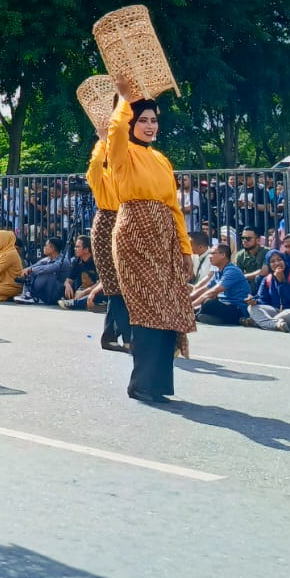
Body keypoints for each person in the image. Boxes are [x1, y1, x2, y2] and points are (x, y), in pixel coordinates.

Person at [108, 88, 196, 403]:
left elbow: (174, 207)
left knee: (168, 308)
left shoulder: (161, 159)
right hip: (134, 236)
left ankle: (158, 384)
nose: (149, 126)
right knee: (147, 308)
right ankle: (141, 384)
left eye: (153, 120)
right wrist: (124, 98)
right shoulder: (122, 152)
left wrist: (185, 249)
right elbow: (115, 130)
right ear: (131, 123)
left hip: (165, 237)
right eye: (142, 120)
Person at [85, 128, 129, 350]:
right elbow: (94, 164)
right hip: (106, 225)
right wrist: (102, 141)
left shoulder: (124, 172)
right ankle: (130, 338)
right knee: (115, 285)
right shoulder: (99, 175)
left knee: (121, 285)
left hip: (125, 222)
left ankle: (110, 336)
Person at [191, 241, 251, 325]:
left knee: (208, 302)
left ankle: (221, 319)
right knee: (202, 304)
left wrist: (191, 305)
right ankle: (214, 318)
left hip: (237, 309)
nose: (210, 256)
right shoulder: (217, 271)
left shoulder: (232, 270)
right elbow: (206, 288)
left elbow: (214, 291)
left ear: (223, 255)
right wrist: (189, 298)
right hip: (224, 305)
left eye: (213, 253)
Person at [248, 249, 290, 331]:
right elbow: (263, 300)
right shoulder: (267, 279)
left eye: (279, 259)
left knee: (288, 314)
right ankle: (276, 325)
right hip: (276, 311)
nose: (277, 263)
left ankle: (259, 323)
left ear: (284, 261)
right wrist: (254, 301)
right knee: (252, 308)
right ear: (269, 265)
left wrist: (282, 282)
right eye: (272, 261)